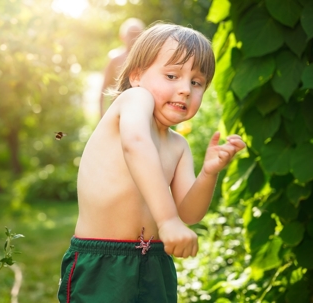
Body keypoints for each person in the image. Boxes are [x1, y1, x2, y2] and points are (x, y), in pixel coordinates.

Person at [57, 22, 246, 302]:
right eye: (172, 75)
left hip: (155, 263)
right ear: (137, 76)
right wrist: (167, 220)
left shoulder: (178, 145)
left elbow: (189, 214)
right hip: (102, 260)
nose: (184, 89)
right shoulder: (134, 100)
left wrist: (208, 173)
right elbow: (136, 144)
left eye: (196, 82)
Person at [99, 18, 145, 118]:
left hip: (141, 113)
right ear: (122, 37)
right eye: (131, 34)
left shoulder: (147, 59)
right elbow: (103, 90)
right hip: (118, 114)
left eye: (138, 34)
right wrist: (102, 116)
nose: (135, 38)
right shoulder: (114, 59)